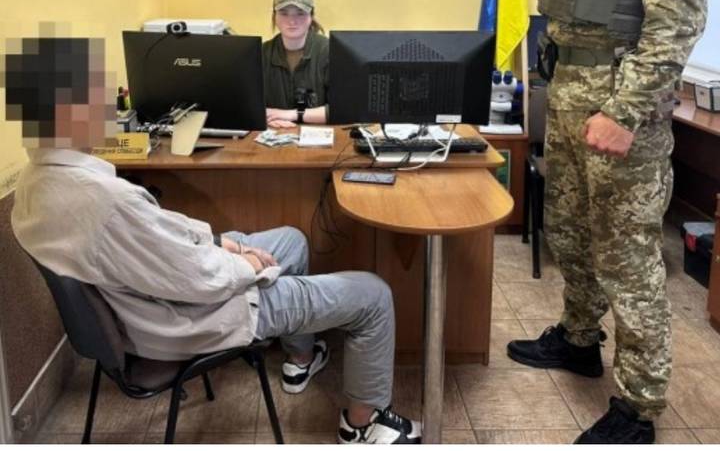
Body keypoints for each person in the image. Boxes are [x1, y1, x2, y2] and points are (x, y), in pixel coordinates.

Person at [3, 34, 420, 444]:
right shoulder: (103, 201)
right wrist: (245, 265)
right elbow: (195, 277)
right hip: (188, 316)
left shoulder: (35, 185)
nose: (111, 106)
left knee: (292, 240)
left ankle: (301, 357)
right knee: (373, 295)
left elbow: (158, 235)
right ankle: (361, 425)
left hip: (150, 302)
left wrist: (224, 243)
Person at [506, 0, 710, 444]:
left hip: (619, 102)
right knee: (570, 231)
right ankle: (578, 338)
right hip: (571, 88)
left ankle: (639, 407)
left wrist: (624, 112)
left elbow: (678, 18)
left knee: (626, 256)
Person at [262, 0, 329, 128]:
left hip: (319, 136)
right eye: (284, 13)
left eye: (300, 13)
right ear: (274, 16)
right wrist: (267, 118)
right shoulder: (261, 54)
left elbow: (343, 109)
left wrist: (293, 114)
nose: (292, 21)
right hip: (274, 132)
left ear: (311, 16)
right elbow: (247, 105)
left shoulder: (329, 51)